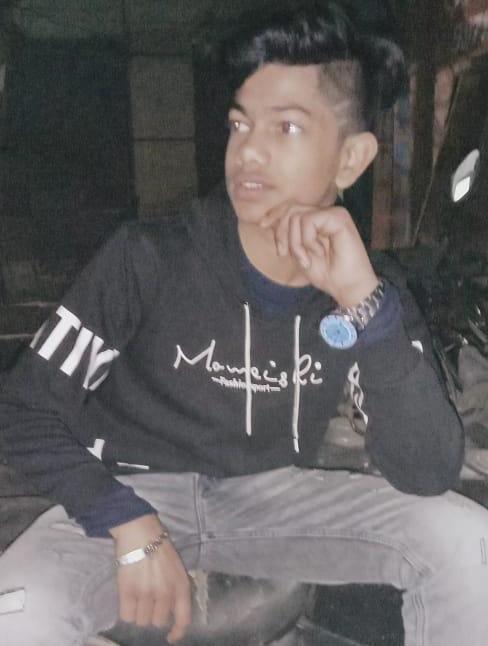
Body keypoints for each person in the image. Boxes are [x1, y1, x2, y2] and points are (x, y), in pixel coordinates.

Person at [0, 3, 487, 645]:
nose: (249, 150)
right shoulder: (149, 257)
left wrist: (363, 303)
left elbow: (426, 472)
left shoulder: (369, 291)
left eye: (286, 127)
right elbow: (23, 410)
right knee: (21, 606)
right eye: (239, 123)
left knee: (466, 541)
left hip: (272, 500)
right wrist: (122, 517)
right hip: (130, 494)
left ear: (351, 159)